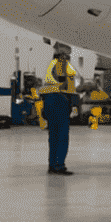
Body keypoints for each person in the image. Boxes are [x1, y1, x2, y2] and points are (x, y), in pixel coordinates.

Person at [41, 43, 77, 175]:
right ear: (63, 54)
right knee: (61, 136)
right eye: (67, 55)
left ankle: (53, 164)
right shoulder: (61, 65)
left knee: (53, 137)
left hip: (50, 102)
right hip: (59, 102)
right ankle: (59, 165)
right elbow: (65, 86)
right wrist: (73, 103)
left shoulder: (51, 64)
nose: (69, 57)